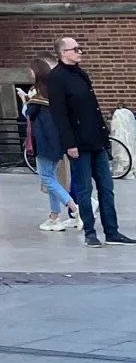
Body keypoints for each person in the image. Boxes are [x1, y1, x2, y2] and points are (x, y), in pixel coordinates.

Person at [47, 35, 133, 247]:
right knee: (85, 189)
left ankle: (112, 231)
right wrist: (69, 144)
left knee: (106, 187)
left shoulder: (81, 74)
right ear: (63, 53)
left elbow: (93, 108)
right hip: (78, 143)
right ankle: (90, 231)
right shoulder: (57, 77)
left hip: (96, 140)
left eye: (79, 48)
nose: (79, 52)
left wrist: (104, 135)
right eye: (75, 49)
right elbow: (59, 114)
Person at [25, 57, 79, 232]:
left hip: (44, 141)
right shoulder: (54, 91)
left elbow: (29, 113)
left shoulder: (38, 94)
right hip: (57, 141)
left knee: (47, 178)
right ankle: (54, 216)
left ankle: (74, 208)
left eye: (31, 70)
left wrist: (25, 100)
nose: (28, 73)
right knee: (52, 178)